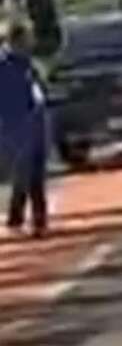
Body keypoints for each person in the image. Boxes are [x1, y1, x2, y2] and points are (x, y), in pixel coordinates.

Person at [0, 18, 48, 238]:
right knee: (24, 174)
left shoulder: (29, 64)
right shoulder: (4, 66)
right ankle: (26, 219)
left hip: (35, 124)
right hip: (14, 126)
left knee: (35, 173)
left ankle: (29, 220)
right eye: (24, 39)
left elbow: (40, 90)